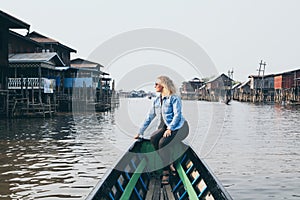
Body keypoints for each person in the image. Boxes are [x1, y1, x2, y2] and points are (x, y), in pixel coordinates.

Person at [134, 75, 189, 185]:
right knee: (153, 138)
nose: (154, 86)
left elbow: (177, 115)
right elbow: (149, 117)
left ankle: (166, 172)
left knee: (162, 143)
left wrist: (170, 129)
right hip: (167, 127)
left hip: (180, 127)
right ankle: (169, 163)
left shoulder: (174, 98)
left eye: (156, 84)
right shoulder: (156, 101)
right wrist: (140, 132)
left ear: (163, 85)